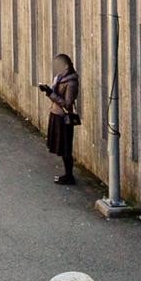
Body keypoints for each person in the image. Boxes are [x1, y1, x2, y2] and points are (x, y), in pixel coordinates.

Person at [40, 54, 81, 184]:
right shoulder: (59, 77)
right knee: (62, 148)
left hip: (63, 118)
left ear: (66, 66)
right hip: (56, 114)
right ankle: (67, 175)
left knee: (66, 148)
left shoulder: (72, 82)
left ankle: (69, 176)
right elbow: (55, 93)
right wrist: (47, 89)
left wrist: (50, 94)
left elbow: (67, 104)